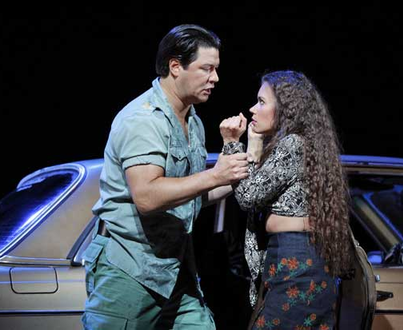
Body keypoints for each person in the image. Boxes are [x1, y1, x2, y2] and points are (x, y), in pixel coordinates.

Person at [81, 24, 249, 330]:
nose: (215, 78)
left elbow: (188, 196)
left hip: (175, 271)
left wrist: (230, 179)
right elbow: (147, 197)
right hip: (129, 269)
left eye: (216, 69)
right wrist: (215, 176)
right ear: (175, 66)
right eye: (207, 68)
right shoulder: (143, 120)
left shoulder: (192, 120)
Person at [219, 70, 353, 329]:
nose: (252, 109)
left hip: (296, 264)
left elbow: (247, 196)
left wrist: (232, 143)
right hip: (295, 259)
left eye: (261, 102)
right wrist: (255, 149)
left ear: (285, 109)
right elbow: (256, 189)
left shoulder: (292, 144)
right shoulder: (302, 144)